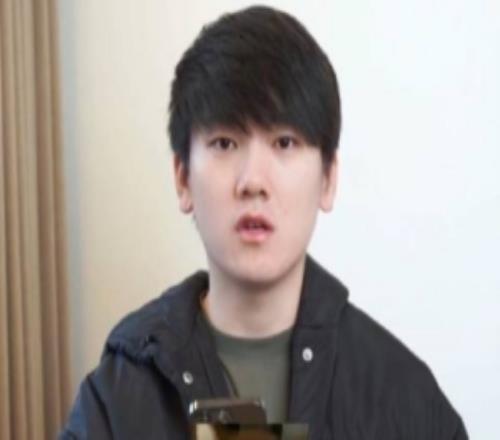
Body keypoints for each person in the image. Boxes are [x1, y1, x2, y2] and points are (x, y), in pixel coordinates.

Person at [60, 5, 468, 439]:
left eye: (284, 142)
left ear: (328, 179)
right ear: (182, 178)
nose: (253, 180)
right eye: (225, 143)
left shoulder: (403, 398)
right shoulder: (118, 397)